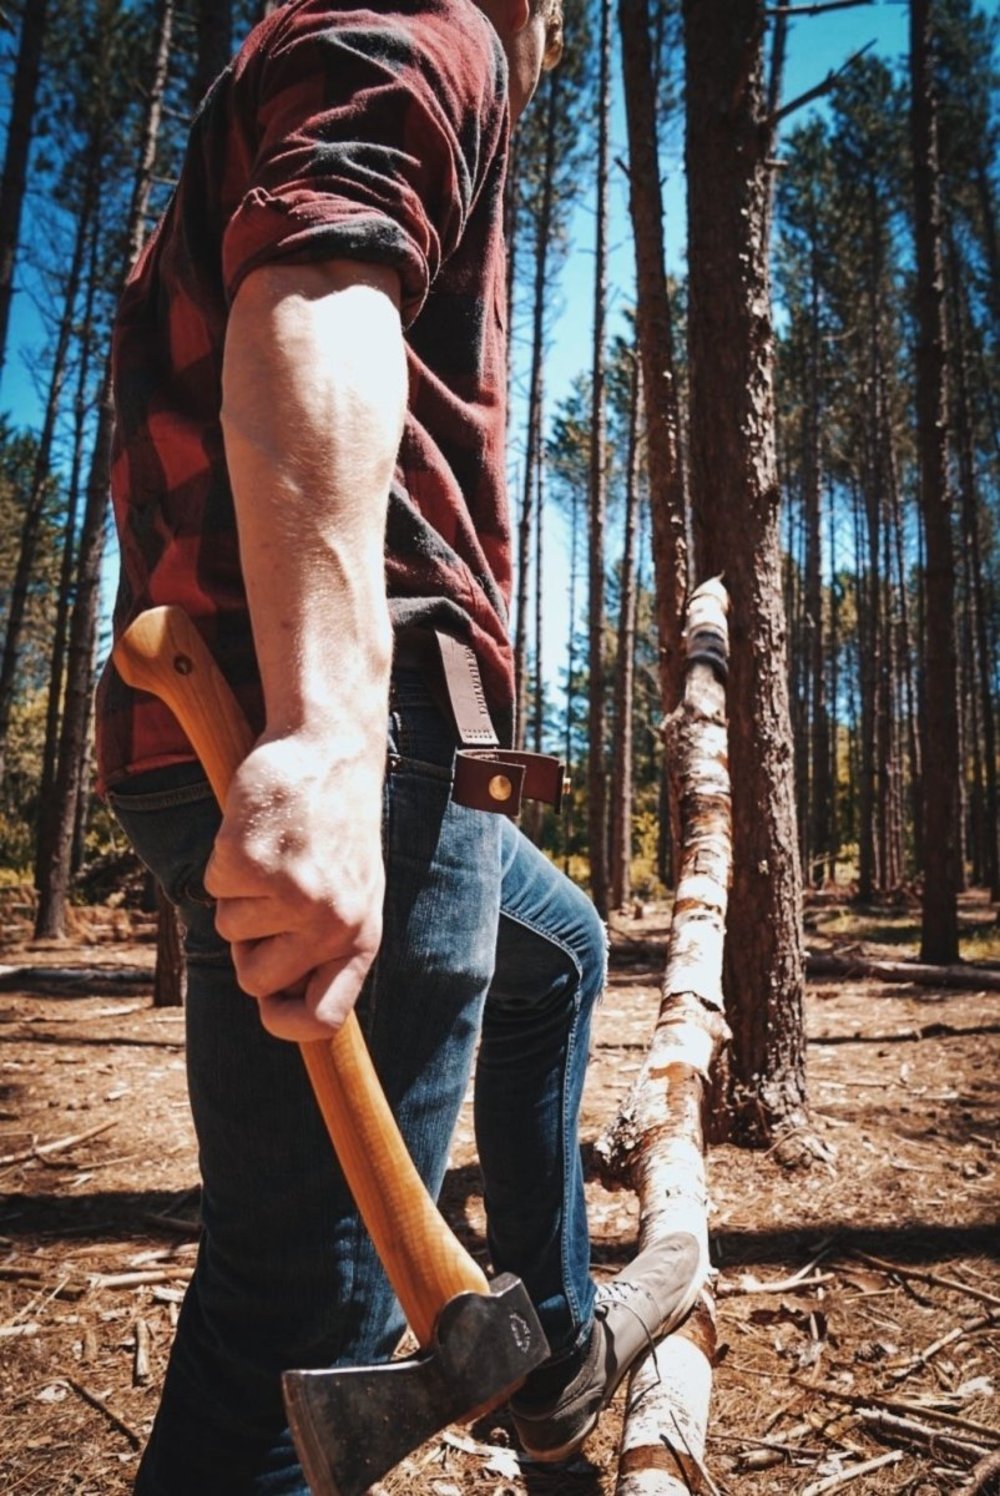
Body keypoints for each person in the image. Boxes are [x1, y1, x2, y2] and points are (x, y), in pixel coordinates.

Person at [96, 0, 707, 1490]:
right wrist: (324, 731)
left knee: (557, 948)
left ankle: (548, 1355)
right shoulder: (428, 19)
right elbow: (310, 294)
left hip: (355, 728)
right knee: (298, 1322)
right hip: (333, 721)